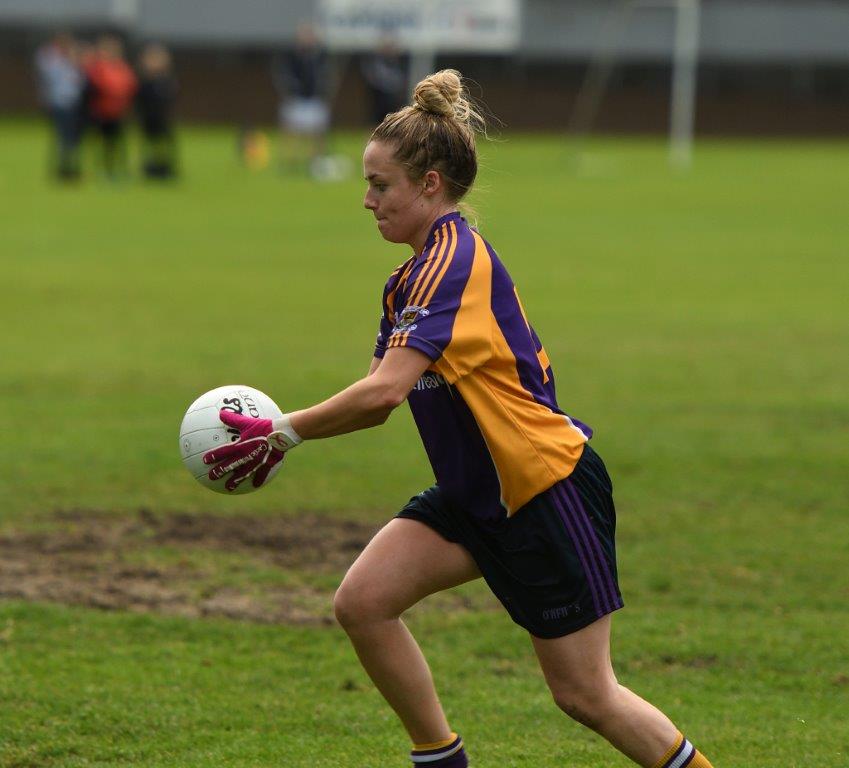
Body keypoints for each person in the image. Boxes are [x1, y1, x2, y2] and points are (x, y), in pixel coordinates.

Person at [201, 69, 716, 768]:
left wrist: (282, 432)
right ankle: (441, 760)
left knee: (586, 695)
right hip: (478, 493)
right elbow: (378, 401)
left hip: (541, 490)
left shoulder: (452, 261)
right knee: (363, 602)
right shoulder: (408, 278)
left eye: (380, 185)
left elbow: (384, 392)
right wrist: (289, 432)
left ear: (430, 184)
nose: (366, 200)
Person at [273, 22, 330, 176]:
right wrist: (292, 89)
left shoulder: (319, 56)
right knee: (290, 131)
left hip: (313, 99)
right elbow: (283, 75)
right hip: (296, 99)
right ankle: (289, 162)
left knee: (318, 132)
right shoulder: (290, 55)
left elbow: (324, 75)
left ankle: (315, 162)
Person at [84, 35, 137, 180]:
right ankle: (102, 170)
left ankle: (120, 170)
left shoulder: (123, 68)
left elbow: (130, 86)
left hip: (118, 113)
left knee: (118, 144)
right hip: (101, 112)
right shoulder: (98, 68)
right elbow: (96, 86)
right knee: (102, 144)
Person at [34, 31, 85, 180]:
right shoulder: (53, 62)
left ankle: (72, 167)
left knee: (73, 138)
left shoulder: (74, 64)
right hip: (59, 105)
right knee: (61, 137)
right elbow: (44, 67)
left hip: (74, 105)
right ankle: (61, 168)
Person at [136, 42, 178, 179]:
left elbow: (171, 98)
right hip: (148, 118)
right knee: (150, 143)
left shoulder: (166, 81)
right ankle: (150, 167)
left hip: (162, 118)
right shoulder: (145, 82)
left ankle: (165, 166)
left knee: (164, 143)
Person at [360, 38, 408, 125]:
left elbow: (399, 81)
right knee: (375, 122)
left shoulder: (396, 63)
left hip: (392, 98)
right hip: (380, 98)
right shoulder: (378, 63)